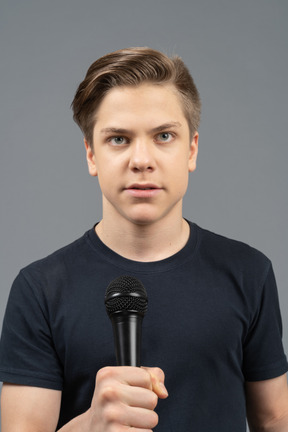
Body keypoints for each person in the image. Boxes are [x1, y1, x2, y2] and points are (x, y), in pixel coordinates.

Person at [0, 47, 288, 432]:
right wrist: (90, 426)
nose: (141, 159)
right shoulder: (39, 289)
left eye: (164, 136)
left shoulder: (249, 272)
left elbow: (275, 418)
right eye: (118, 139)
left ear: (191, 149)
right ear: (91, 154)